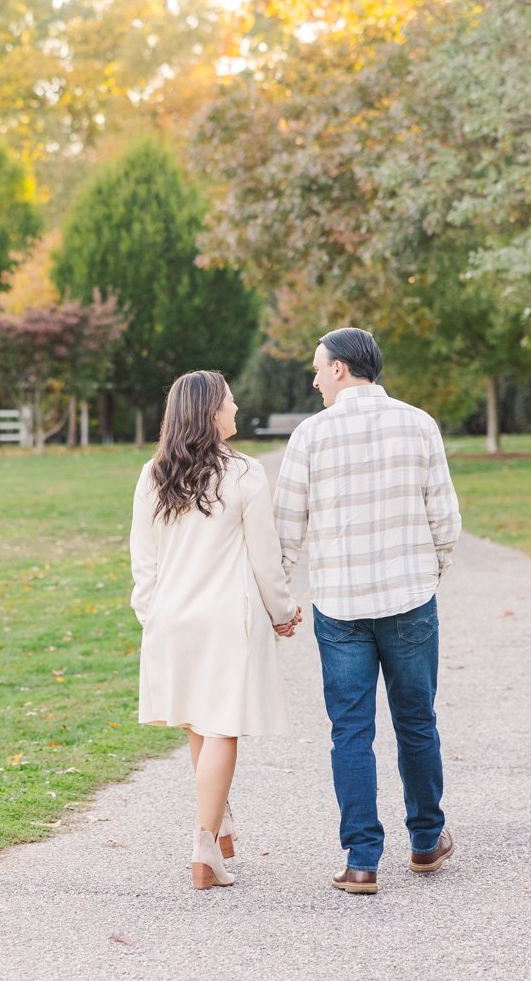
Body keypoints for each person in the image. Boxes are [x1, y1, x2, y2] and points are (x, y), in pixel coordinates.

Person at [273, 327, 462, 895]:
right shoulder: (419, 423)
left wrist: (280, 598)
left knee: (349, 731)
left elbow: (285, 531)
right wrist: (426, 576)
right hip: (409, 599)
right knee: (416, 721)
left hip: (340, 607)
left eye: (316, 367)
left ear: (339, 369)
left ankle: (361, 861)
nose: (313, 378)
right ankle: (427, 842)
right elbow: (445, 520)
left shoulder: (310, 436)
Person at [130, 369, 303, 890]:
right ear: (210, 412)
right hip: (227, 619)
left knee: (197, 720)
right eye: (229, 403)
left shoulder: (154, 473)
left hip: (172, 618)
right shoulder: (245, 473)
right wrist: (282, 612)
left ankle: (219, 819)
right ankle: (204, 847)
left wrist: (152, 614)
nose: (235, 410)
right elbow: (265, 559)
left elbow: (144, 560)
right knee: (222, 725)